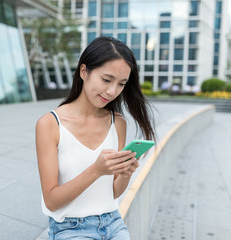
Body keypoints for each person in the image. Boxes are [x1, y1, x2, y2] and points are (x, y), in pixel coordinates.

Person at [35, 36, 156, 240]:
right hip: (69, 228)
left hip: (112, 222)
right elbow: (51, 201)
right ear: (84, 71)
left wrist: (126, 172)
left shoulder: (117, 123)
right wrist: (96, 170)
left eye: (121, 84)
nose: (112, 91)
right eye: (106, 80)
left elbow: (114, 193)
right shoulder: (50, 124)